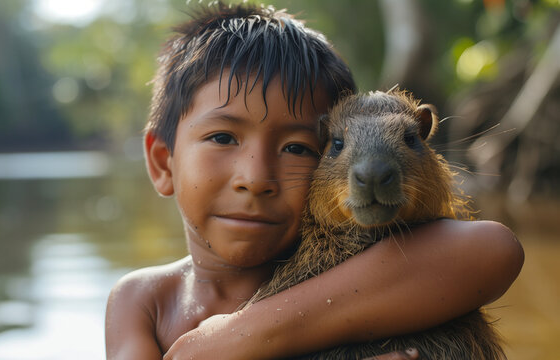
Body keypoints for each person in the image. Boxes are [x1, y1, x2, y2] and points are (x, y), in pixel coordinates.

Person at [105, 3, 524, 359]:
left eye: (298, 148)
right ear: (163, 163)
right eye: (222, 137)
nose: (256, 178)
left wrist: (236, 336)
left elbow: (494, 248)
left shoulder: (394, 256)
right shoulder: (143, 302)